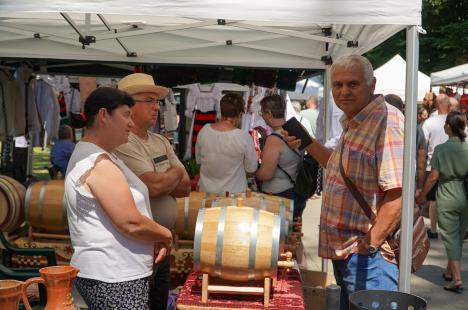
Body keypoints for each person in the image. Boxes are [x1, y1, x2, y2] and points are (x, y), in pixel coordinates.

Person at [286, 55, 404, 309]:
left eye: (353, 84)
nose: (343, 91)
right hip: (348, 254)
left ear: (372, 85)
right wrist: (307, 142)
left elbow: (398, 194)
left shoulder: (386, 121)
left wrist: (369, 245)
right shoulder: (355, 121)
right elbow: (338, 168)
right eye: (337, 85)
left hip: (369, 259)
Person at [65, 87, 173, 309]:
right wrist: (165, 234)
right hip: (113, 276)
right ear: (104, 115)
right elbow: (130, 222)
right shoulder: (97, 163)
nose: (131, 124)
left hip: (118, 274)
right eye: (126, 115)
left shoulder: (103, 156)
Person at [114, 73, 190, 310]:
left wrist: (169, 179)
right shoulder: (123, 142)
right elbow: (153, 187)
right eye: (149, 100)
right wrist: (174, 173)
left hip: (160, 244)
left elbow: (186, 187)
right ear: (128, 105)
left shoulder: (160, 140)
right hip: (138, 246)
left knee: (157, 302)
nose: (156, 106)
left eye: (157, 101)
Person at [416, 111, 468, 293]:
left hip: (447, 194)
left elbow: (434, 177)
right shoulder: (467, 147)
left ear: (448, 127)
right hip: (464, 195)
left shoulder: (441, 149)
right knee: (459, 235)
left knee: (449, 237)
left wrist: (422, 195)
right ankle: (449, 271)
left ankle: (457, 279)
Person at [256, 94, 307, 219]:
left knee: (277, 237)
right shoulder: (298, 129)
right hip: (297, 190)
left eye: (261, 112)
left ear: (269, 113)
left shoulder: (274, 139)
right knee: (293, 235)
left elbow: (266, 175)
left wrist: (253, 173)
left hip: (278, 196)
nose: (262, 116)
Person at [195, 93, 258, 194]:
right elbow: (251, 168)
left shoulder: (204, 130)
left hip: (206, 194)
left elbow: (198, 161)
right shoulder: (244, 137)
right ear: (240, 114)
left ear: (221, 111)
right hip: (233, 197)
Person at [422, 94, 451, 238]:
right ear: (449, 105)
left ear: (436, 105)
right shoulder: (456, 121)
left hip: (432, 165)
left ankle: (433, 230)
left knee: (433, 200)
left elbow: (423, 143)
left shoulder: (429, 122)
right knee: (450, 197)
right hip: (453, 166)